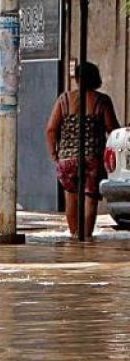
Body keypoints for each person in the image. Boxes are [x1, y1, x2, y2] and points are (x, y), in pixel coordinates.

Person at [45, 62, 120, 239]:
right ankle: (86, 237)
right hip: (92, 158)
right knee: (90, 198)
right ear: (96, 79)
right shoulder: (102, 101)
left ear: (78, 79)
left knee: (71, 197)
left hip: (67, 160)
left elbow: (51, 129)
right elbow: (112, 129)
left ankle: (74, 236)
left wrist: (55, 155)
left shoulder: (64, 100)